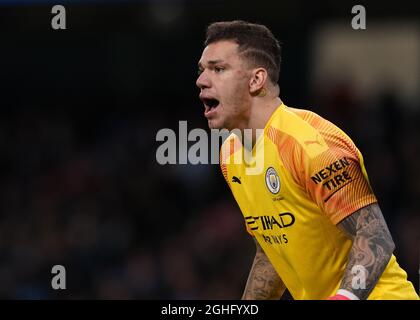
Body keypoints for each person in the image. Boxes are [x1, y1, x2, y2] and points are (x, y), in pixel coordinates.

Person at [195, 20, 419, 300]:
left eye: (218, 69)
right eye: (202, 70)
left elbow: (375, 237)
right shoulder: (230, 154)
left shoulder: (311, 144)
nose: (202, 81)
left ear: (256, 80)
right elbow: (270, 254)